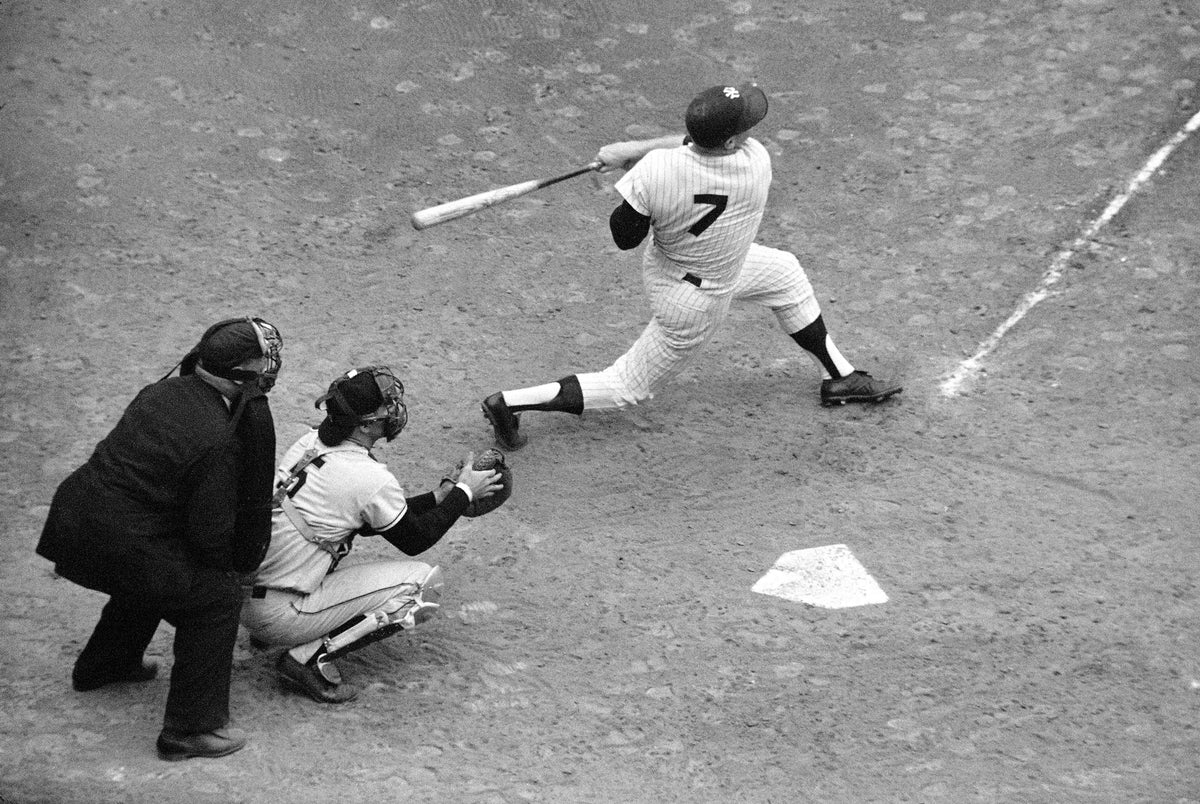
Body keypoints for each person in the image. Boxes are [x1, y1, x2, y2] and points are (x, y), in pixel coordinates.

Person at [481, 82, 901, 450]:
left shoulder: (657, 172)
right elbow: (690, 144)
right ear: (732, 142)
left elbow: (625, 237)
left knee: (784, 273)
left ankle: (840, 377)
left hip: (680, 269)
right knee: (628, 386)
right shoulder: (755, 163)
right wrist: (634, 158)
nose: (751, 131)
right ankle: (509, 403)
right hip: (696, 301)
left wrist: (632, 183)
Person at [36, 316, 283, 761]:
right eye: (260, 361)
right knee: (215, 596)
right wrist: (233, 562)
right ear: (240, 374)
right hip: (118, 541)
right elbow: (212, 536)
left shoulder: (162, 391)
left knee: (158, 565)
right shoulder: (219, 437)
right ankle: (191, 730)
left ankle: (105, 665)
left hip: (74, 523)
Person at [241, 365, 502, 704]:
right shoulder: (368, 477)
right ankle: (305, 659)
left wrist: (438, 498)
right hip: (282, 612)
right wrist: (464, 492)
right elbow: (415, 540)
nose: (393, 411)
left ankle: (269, 636)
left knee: (318, 538)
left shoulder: (309, 444)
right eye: (386, 407)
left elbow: (361, 521)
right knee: (422, 587)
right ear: (365, 425)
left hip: (246, 595)